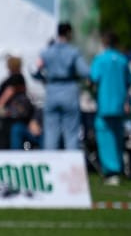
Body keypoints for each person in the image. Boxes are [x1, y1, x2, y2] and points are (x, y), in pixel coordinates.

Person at [33, 22, 89, 150]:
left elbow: (35, 70)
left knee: (51, 132)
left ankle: (51, 163)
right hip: (69, 90)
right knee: (71, 133)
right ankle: (71, 164)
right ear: (69, 33)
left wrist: (44, 78)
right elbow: (85, 71)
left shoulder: (46, 52)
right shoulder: (73, 52)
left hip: (52, 91)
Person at [91, 31, 131, 186]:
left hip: (105, 104)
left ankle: (111, 171)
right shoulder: (123, 60)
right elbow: (130, 81)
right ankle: (118, 168)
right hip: (119, 104)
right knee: (117, 137)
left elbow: (93, 78)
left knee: (105, 137)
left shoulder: (100, 59)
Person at [0, 55, 34, 150]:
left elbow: (9, 91)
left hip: (12, 115)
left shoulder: (16, 78)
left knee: (12, 136)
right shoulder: (20, 77)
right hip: (13, 115)